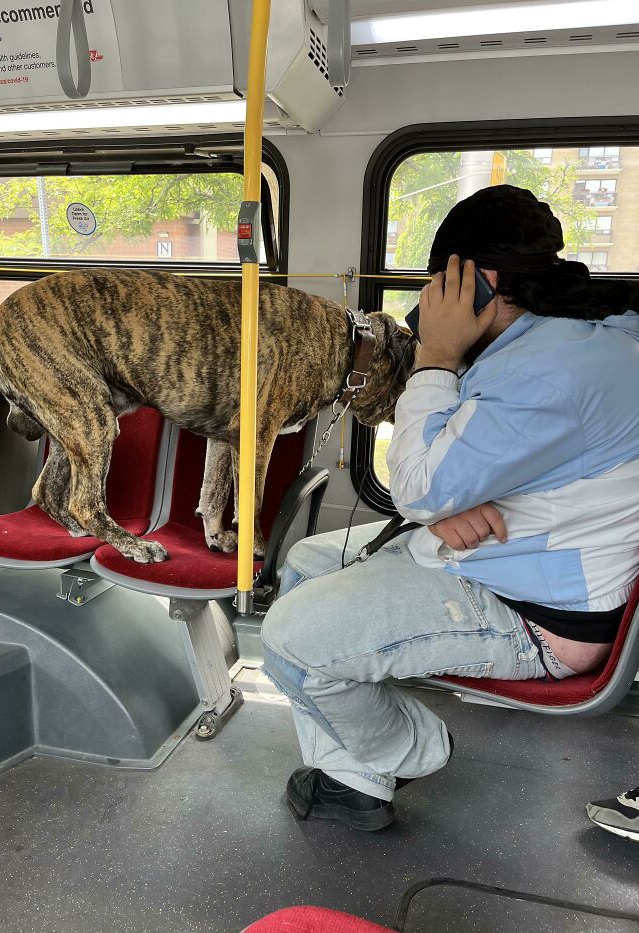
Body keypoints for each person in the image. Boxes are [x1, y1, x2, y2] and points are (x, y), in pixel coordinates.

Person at [261, 184, 639, 832]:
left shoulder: (548, 373)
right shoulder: (565, 341)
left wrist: (436, 357)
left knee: (286, 639)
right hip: (507, 552)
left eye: (441, 283)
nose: (428, 303)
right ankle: (354, 781)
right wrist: (439, 508)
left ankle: (410, 750)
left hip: (534, 614)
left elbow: (414, 482)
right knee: (304, 560)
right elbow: (451, 471)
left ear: (480, 283)